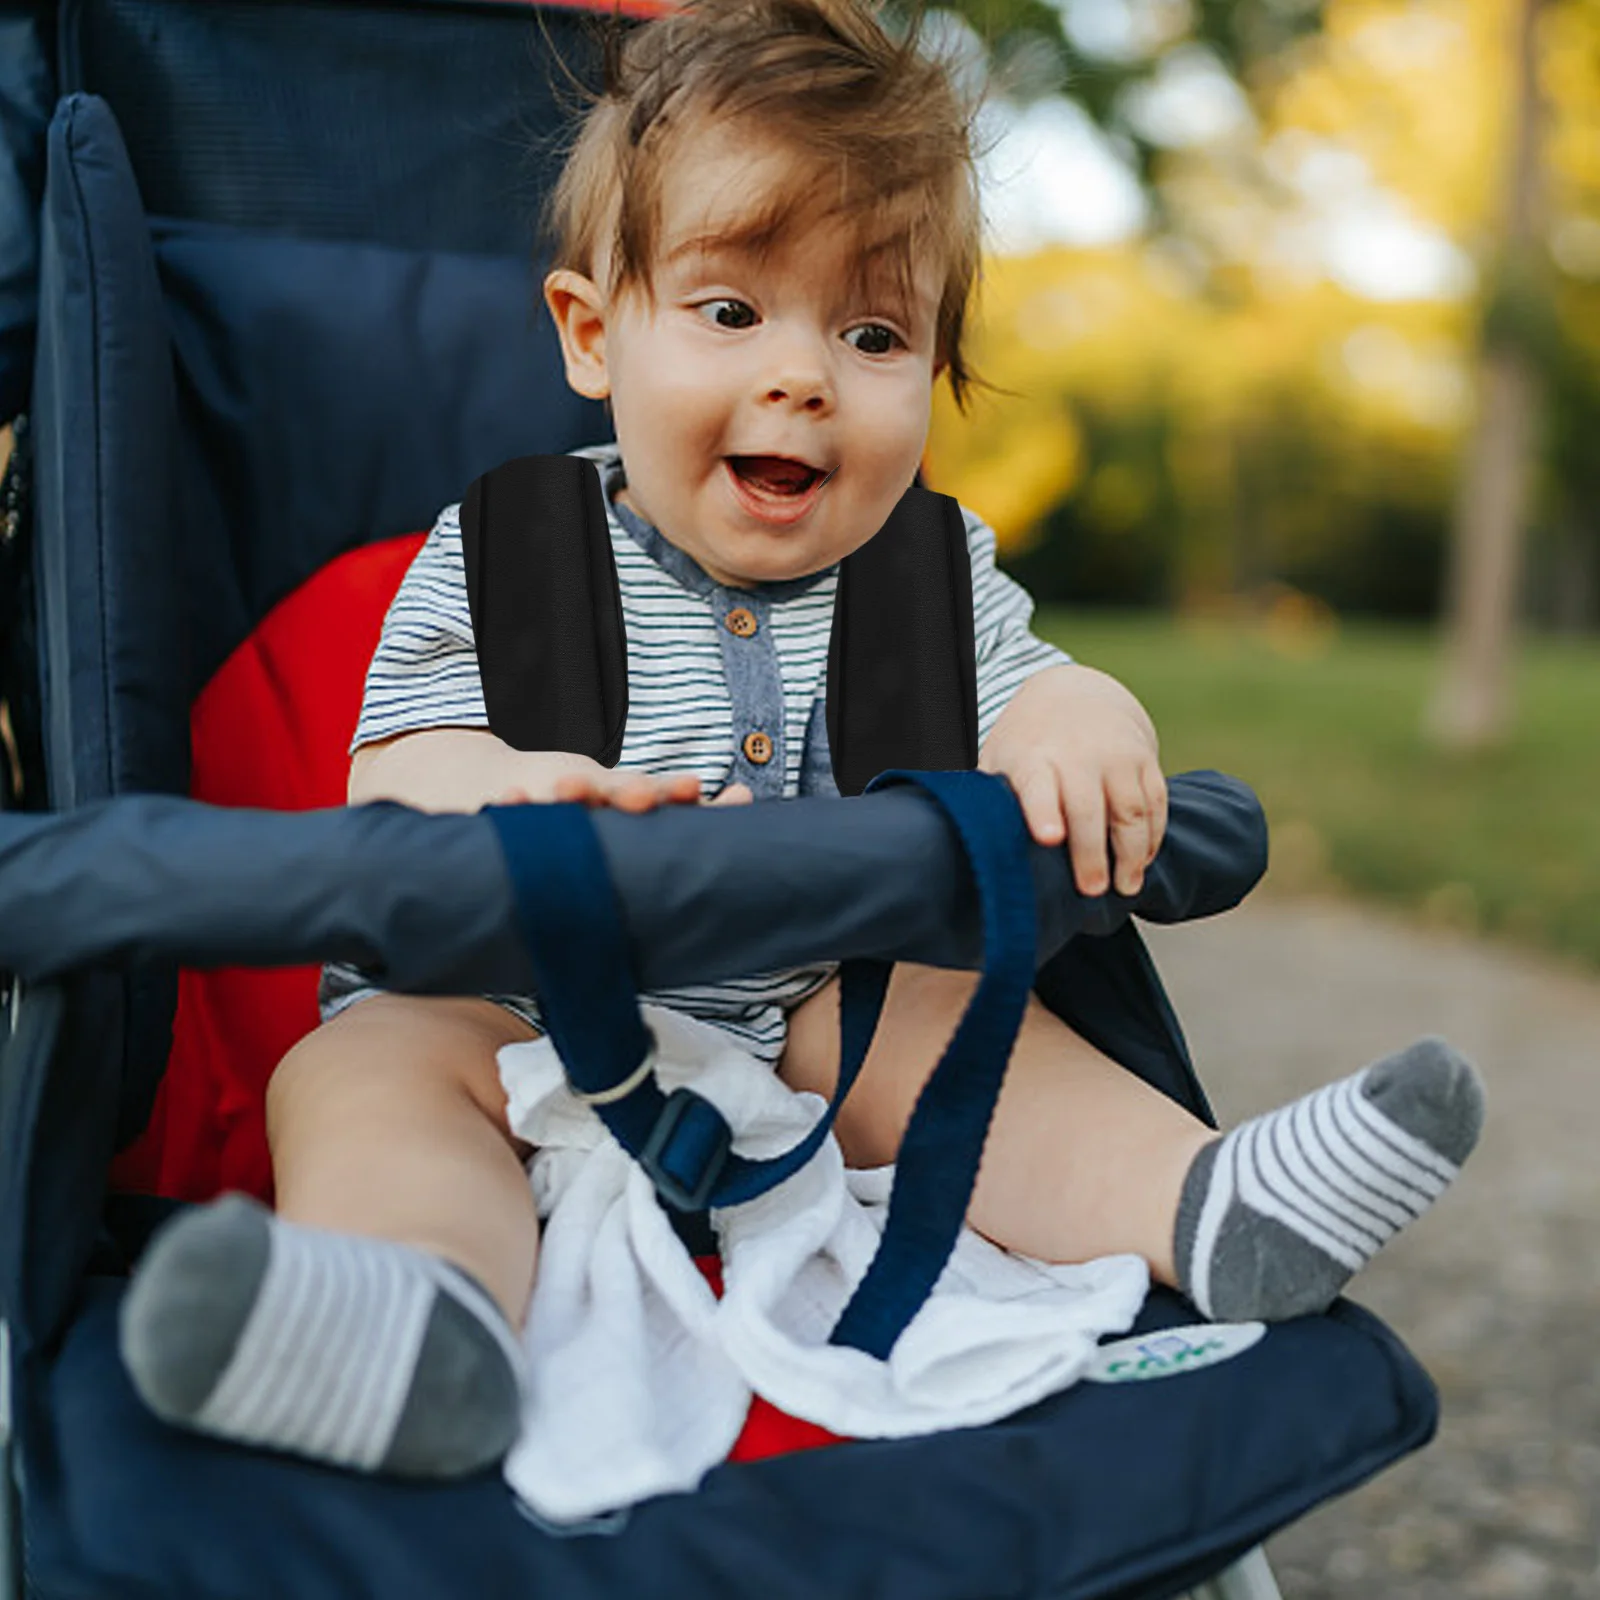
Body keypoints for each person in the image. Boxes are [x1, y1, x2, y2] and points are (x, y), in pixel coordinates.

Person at [118, 0, 1484, 1481]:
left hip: (803, 1028)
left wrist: (1089, 717)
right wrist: (503, 790)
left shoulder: (930, 577)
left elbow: (1034, 688)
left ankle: (1201, 1204)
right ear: (593, 336)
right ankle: (418, 1319)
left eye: (874, 333)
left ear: (935, 373)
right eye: (730, 312)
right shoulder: (503, 549)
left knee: (953, 1019)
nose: (804, 374)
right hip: (512, 1017)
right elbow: (396, 765)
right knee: (361, 1070)